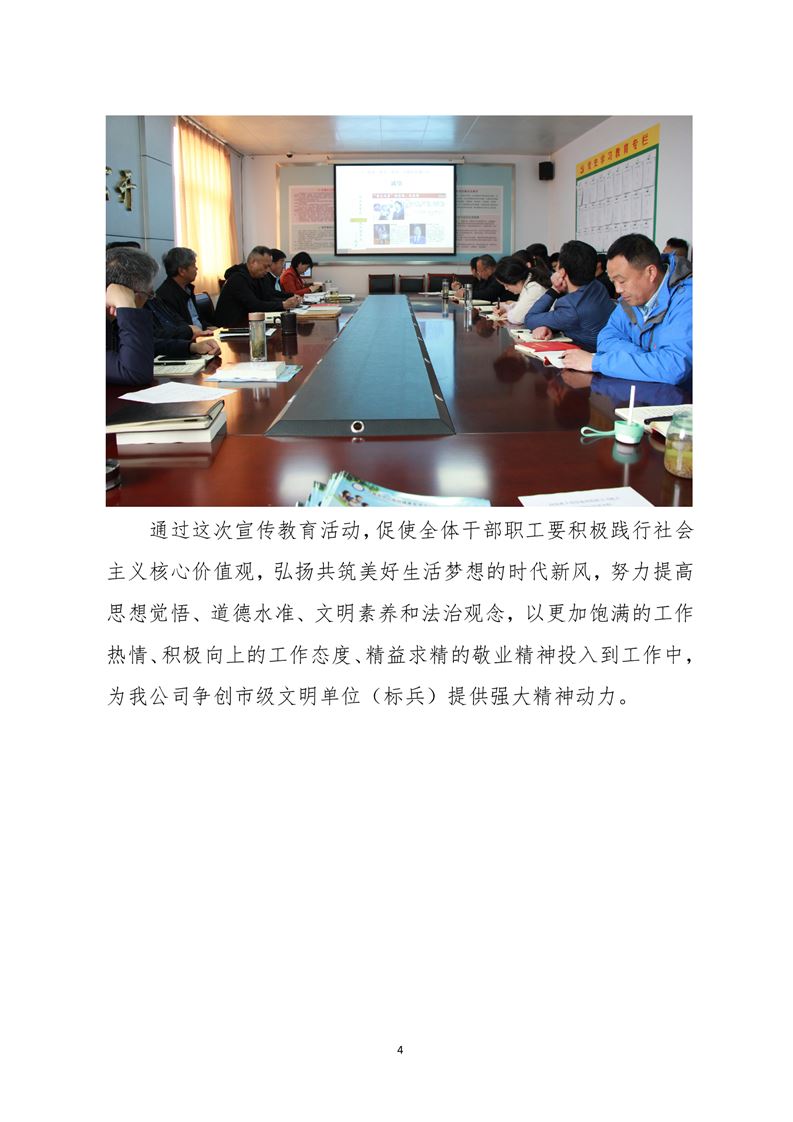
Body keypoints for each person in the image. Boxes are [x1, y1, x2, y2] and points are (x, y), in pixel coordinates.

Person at [561, 233, 692, 385]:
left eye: (622, 281)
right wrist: (647, 359)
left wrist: (597, 362)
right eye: (613, 282)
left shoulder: (687, 299)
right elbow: (605, 339)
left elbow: (673, 367)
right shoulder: (631, 298)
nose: (618, 290)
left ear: (651, 273)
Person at [106, 247, 218, 386]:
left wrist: (191, 347)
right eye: (148, 294)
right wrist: (127, 306)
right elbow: (136, 373)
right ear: (129, 294)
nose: (149, 300)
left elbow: (149, 344)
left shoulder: (113, 320)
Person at [522, 239, 614, 350]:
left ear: (562, 272)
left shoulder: (570, 307)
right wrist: (550, 326)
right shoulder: (598, 286)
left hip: (588, 355)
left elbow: (530, 319)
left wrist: (554, 289)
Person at [213, 246, 301, 326]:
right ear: (253, 262)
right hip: (231, 327)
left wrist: (291, 299)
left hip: (250, 323)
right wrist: (283, 305)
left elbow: (269, 296)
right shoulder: (238, 279)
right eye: (265, 266)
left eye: (269, 266)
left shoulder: (258, 276)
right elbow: (254, 305)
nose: (268, 270)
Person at [156, 247, 215, 331]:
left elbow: (197, 319)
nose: (196, 269)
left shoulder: (187, 289)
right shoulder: (166, 296)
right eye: (194, 265)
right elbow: (179, 328)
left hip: (199, 334)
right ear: (182, 271)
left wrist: (207, 327)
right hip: (190, 337)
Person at [493, 256, 551, 324]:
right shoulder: (530, 281)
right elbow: (524, 305)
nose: (506, 288)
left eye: (506, 285)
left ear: (516, 279)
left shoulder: (534, 288)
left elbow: (517, 318)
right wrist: (506, 309)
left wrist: (508, 315)